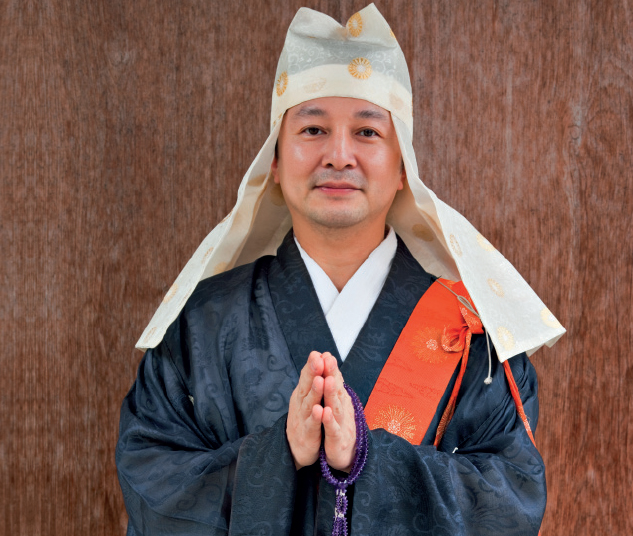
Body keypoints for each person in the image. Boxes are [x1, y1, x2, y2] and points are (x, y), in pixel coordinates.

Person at [116, 5, 565, 535]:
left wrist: (367, 459)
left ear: (403, 168)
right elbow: (153, 483)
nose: (339, 154)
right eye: (312, 128)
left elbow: (511, 498)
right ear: (276, 164)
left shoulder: (471, 335)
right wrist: (278, 454)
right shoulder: (202, 323)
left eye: (368, 133)